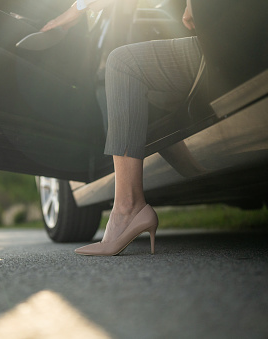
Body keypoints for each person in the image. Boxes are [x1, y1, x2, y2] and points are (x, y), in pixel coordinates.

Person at [42, 0, 202, 256]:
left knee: (121, 63)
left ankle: (128, 207)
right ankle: (133, 205)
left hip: (235, 39)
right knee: (144, 100)